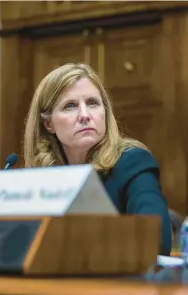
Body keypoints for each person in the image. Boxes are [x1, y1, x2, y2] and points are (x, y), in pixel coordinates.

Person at [23, 63, 172, 255]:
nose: (85, 115)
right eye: (70, 106)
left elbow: (156, 241)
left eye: (92, 103)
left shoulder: (133, 162)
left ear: (105, 111)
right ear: (49, 124)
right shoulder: (44, 177)